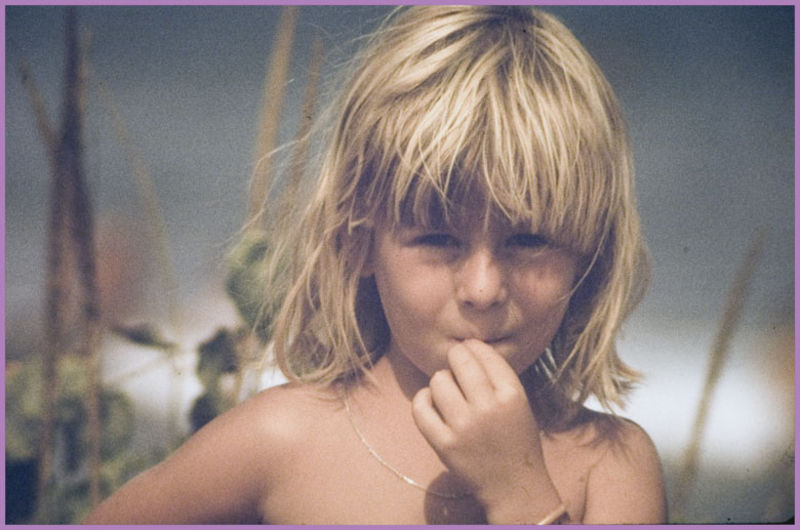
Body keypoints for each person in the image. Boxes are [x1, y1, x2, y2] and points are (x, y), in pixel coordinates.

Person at [84, 6, 666, 524]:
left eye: (529, 241)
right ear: (359, 239)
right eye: (438, 239)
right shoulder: (279, 440)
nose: (483, 288)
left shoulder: (611, 466)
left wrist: (523, 498)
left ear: (589, 250)